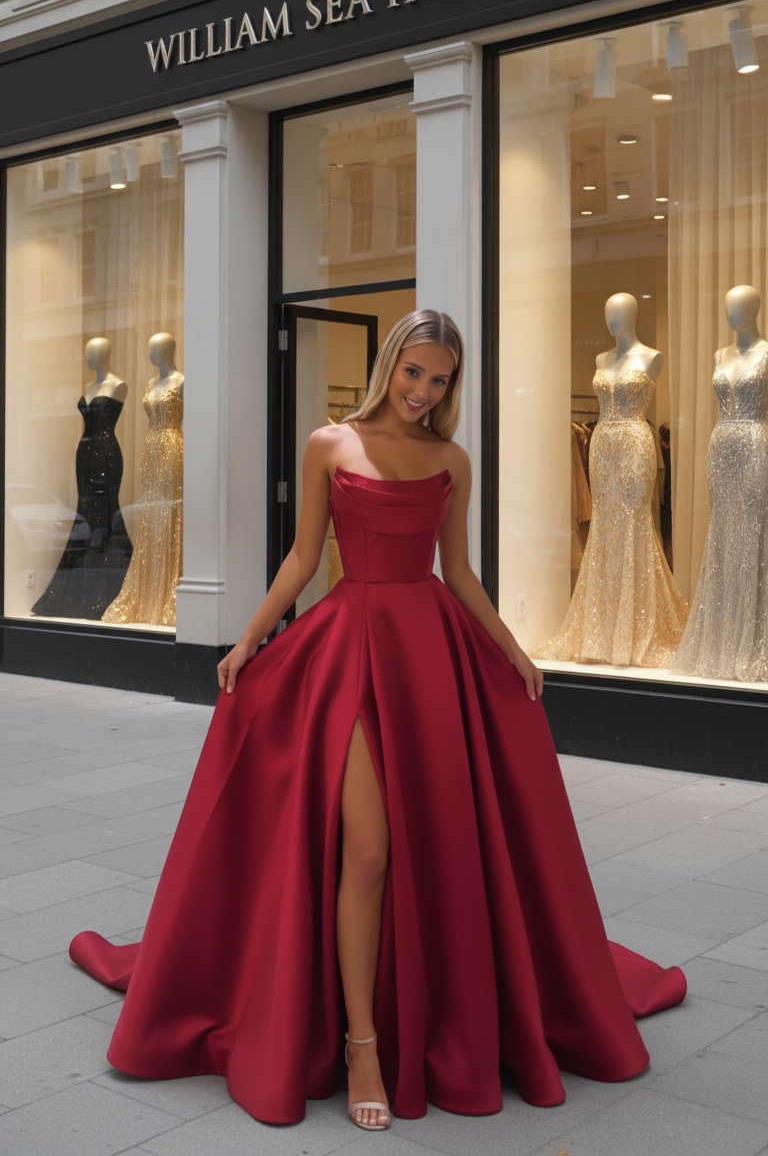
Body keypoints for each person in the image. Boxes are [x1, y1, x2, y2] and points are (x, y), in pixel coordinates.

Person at [70, 310, 686, 1133]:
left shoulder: (451, 460)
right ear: (390, 364)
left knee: (433, 842)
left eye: (440, 380)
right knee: (368, 846)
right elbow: (303, 555)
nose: (424, 391)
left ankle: (421, 1011)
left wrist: (513, 651)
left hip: (429, 655)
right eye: (414, 373)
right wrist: (248, 637)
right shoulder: (331, 444)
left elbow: (459, 573)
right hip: (348, 650)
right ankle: (362, 1043)